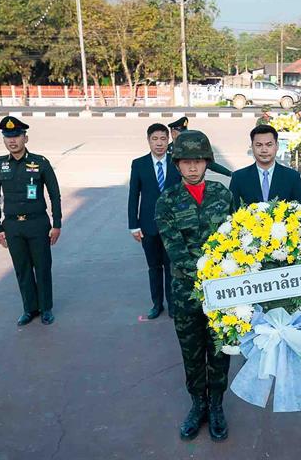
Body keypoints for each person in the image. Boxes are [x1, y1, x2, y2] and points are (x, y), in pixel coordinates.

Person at [155, 130, 234, 441]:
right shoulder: (168, 201)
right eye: (186, 162)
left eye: (198, 161)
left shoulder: (223, 195)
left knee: (219, 350)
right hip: (187, 293)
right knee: (191, 352)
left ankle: (216, 405)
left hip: (222, 294)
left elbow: (236, 240)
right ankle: (197, 404)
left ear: (207, 162)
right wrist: (210, 271)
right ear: (177, 165)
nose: (192, 167)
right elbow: (175, 250)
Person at [0, 116, 62, 326]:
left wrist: (57, 223)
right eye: (8, 136)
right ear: (4, 140)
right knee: (22, 268)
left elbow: (54, 195)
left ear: (25, 138)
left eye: (17, 136)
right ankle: (30, 309)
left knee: (42, 266)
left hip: (38, 224)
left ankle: (46, 308)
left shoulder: (40, 163)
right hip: (12, 226)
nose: (12, 140)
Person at [128, 123, 181, 319]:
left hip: (172, 226)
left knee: (171, 267)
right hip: (148, 226)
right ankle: (156, 304)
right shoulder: (139, 164)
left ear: (168, 140)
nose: (159, 143)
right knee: (154, 267)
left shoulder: (176, 162)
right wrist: (133, 225)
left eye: (163, 139)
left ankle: (173, 305)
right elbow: (134, 195)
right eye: (155, 139)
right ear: (148, 140)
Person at [229, 124, 301, 209]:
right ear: (252, 147)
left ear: (277, 146)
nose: (264, 150)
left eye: (269, 145)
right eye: (259, 145)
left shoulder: (293, 177)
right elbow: (232, 213)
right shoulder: (238, 178)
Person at [168, 116, 232, 177]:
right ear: (173, 134)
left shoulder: (191, 148)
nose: (186, 136)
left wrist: (230, 173)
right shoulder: (165, 151)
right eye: (183, 134)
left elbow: (211, 164)